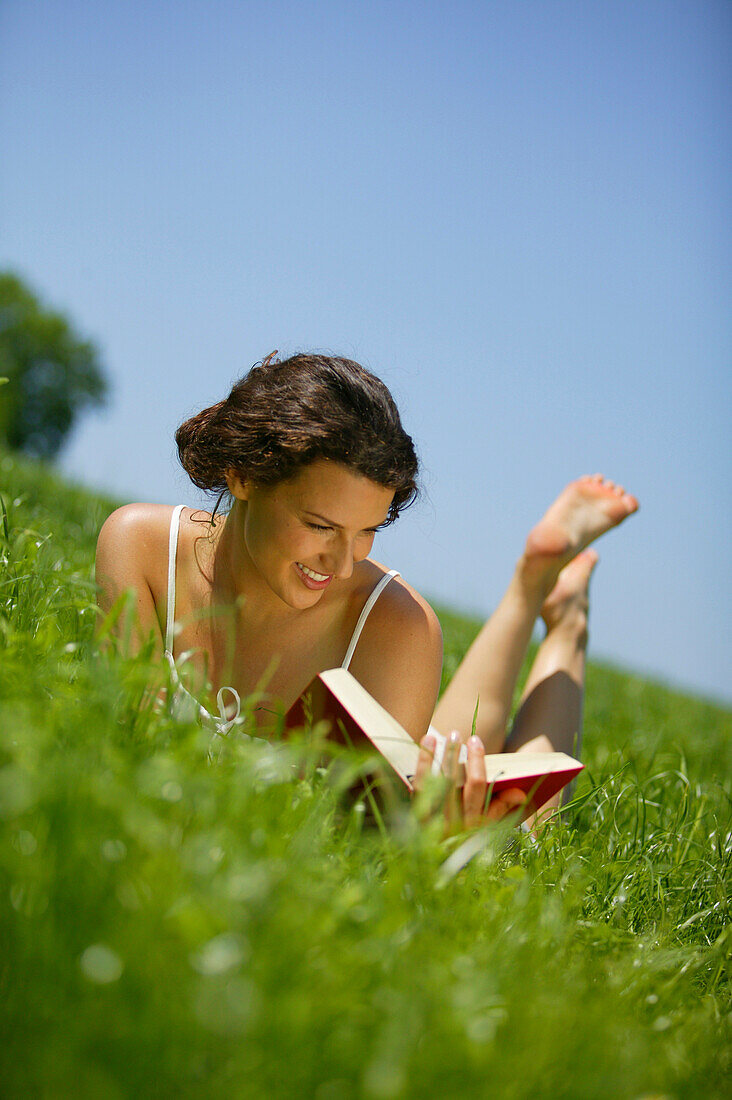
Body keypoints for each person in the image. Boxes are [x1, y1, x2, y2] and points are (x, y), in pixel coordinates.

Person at [95, 352, 638, 829]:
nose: (342, 563)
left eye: (366, 533)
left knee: (526, 825)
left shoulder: (395, 624)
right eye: (321, 526)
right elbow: (126, 746)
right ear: (244, 476)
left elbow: (366, 838)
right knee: (444, 739)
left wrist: (433, 828)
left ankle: (561, 618)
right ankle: (531, 587)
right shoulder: (142, 549)